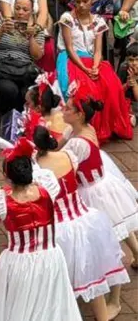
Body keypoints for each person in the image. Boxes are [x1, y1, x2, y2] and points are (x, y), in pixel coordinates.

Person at [0, 142, 82, 321]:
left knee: (19, 305)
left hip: (19, 262)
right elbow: (36, 168)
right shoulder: (47, 188)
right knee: (48, 302)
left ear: (7, 178)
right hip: (51, 257)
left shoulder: (2, 202)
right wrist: (15, 149)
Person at [25, 125, 130, 320]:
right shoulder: (67, 157)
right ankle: (108, 307)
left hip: (60, 226)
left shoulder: (36, 169)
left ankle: (72, 310)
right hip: (85, 218)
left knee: (66, 270)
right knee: (100, 260)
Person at [62, 92, 138, 280]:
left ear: (79, 115)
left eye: (68, 108)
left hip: (91, 191)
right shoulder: (82, 129)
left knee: (108, 230)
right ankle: (137, 252)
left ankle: (111, 276)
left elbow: (64, 165)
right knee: (118, 220)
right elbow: (59, 145)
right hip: (102, 184)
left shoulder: (77, 143)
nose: (63, 109)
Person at [57, 0, 132, 143]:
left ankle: (110, 126)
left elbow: (98, 50)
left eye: (85, 1)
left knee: (112, 86)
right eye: (78, 2)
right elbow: (70, 48)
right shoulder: (67, 18)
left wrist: (95, 67)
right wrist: (84, 68)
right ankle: (87, 129)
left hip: (92, 60)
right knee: (86, 87)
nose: (81, 5)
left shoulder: (98, 21)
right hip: (70, 58)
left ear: (92, 1)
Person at [0, 0, 45, 117]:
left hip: (24, 72)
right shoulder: (4, 22)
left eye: (25, 9)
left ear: (32, 11)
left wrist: (31, 37)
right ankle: (6, 121)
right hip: (2, 69)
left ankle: (18, 124)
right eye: (17, 8)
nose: (20, 12)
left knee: (27, 93)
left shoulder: (36, 29)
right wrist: (1, 30)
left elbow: (37, 56)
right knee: (10, 90)